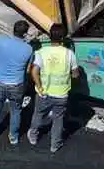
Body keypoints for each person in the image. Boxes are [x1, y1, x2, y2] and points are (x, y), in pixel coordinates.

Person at [27, 23, 80, 153]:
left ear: (50, 36)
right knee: (58, 119)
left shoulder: (42, 52)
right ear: (63, 38)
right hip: (61, 95)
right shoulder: (69, 54)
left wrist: (39, 87)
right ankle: (55, 145)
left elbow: (34, 72)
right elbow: (75, 74)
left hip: (44, 93)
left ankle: (33, 136)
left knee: (38, 114)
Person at [0, 20, 34, 145]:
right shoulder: (29, 49)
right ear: (25, 34)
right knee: (16, 111)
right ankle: (13, 137)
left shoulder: (2, 41)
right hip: (17, 85)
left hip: (0, 83)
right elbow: (28, 69)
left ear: (13, 30)